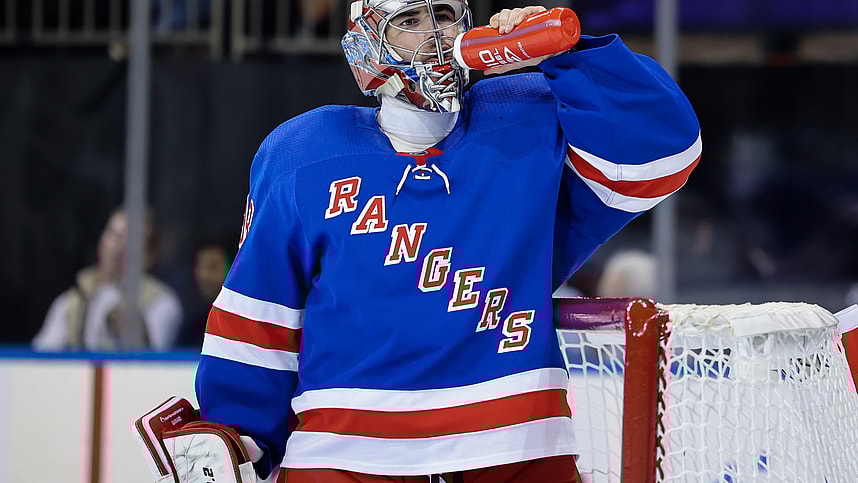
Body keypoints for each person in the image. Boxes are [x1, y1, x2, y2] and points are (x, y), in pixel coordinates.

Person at [192, 2, 701, 481]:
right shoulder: (303, 153)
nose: (435, 36)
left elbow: (663, 156)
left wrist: (565, 57)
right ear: (366, 40)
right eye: (409, 20)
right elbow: (260, 316)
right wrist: (240, 437)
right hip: (345, 454)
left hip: (519, 447)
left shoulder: (527, 118)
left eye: (445, 16)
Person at [32, 207, 183, 351]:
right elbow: (41, 358)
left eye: (130, 239)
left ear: (149, 253)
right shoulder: (72, 301)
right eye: (114, 235)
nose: (118, 245)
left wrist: (141, 336)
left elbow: (159, 366)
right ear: (101, 241)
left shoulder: (161, 302)